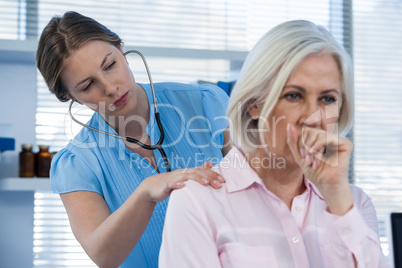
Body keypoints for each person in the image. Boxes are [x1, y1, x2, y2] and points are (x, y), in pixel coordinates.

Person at [159, 20, 388, 267]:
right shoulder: (198, 202)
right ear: (254, 103)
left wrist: (340, 202)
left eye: (327, 98)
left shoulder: (354, 203)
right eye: (294, 95)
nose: (313, 117)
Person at [36, 11, 232, 268]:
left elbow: (256, 191)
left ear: (121, 50)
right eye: (87, 86)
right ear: (72, 97)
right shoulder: (77, 163)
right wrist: (145, 193)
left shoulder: (205, 102)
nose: (110, 87)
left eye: (110, 65)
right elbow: (104, 256)